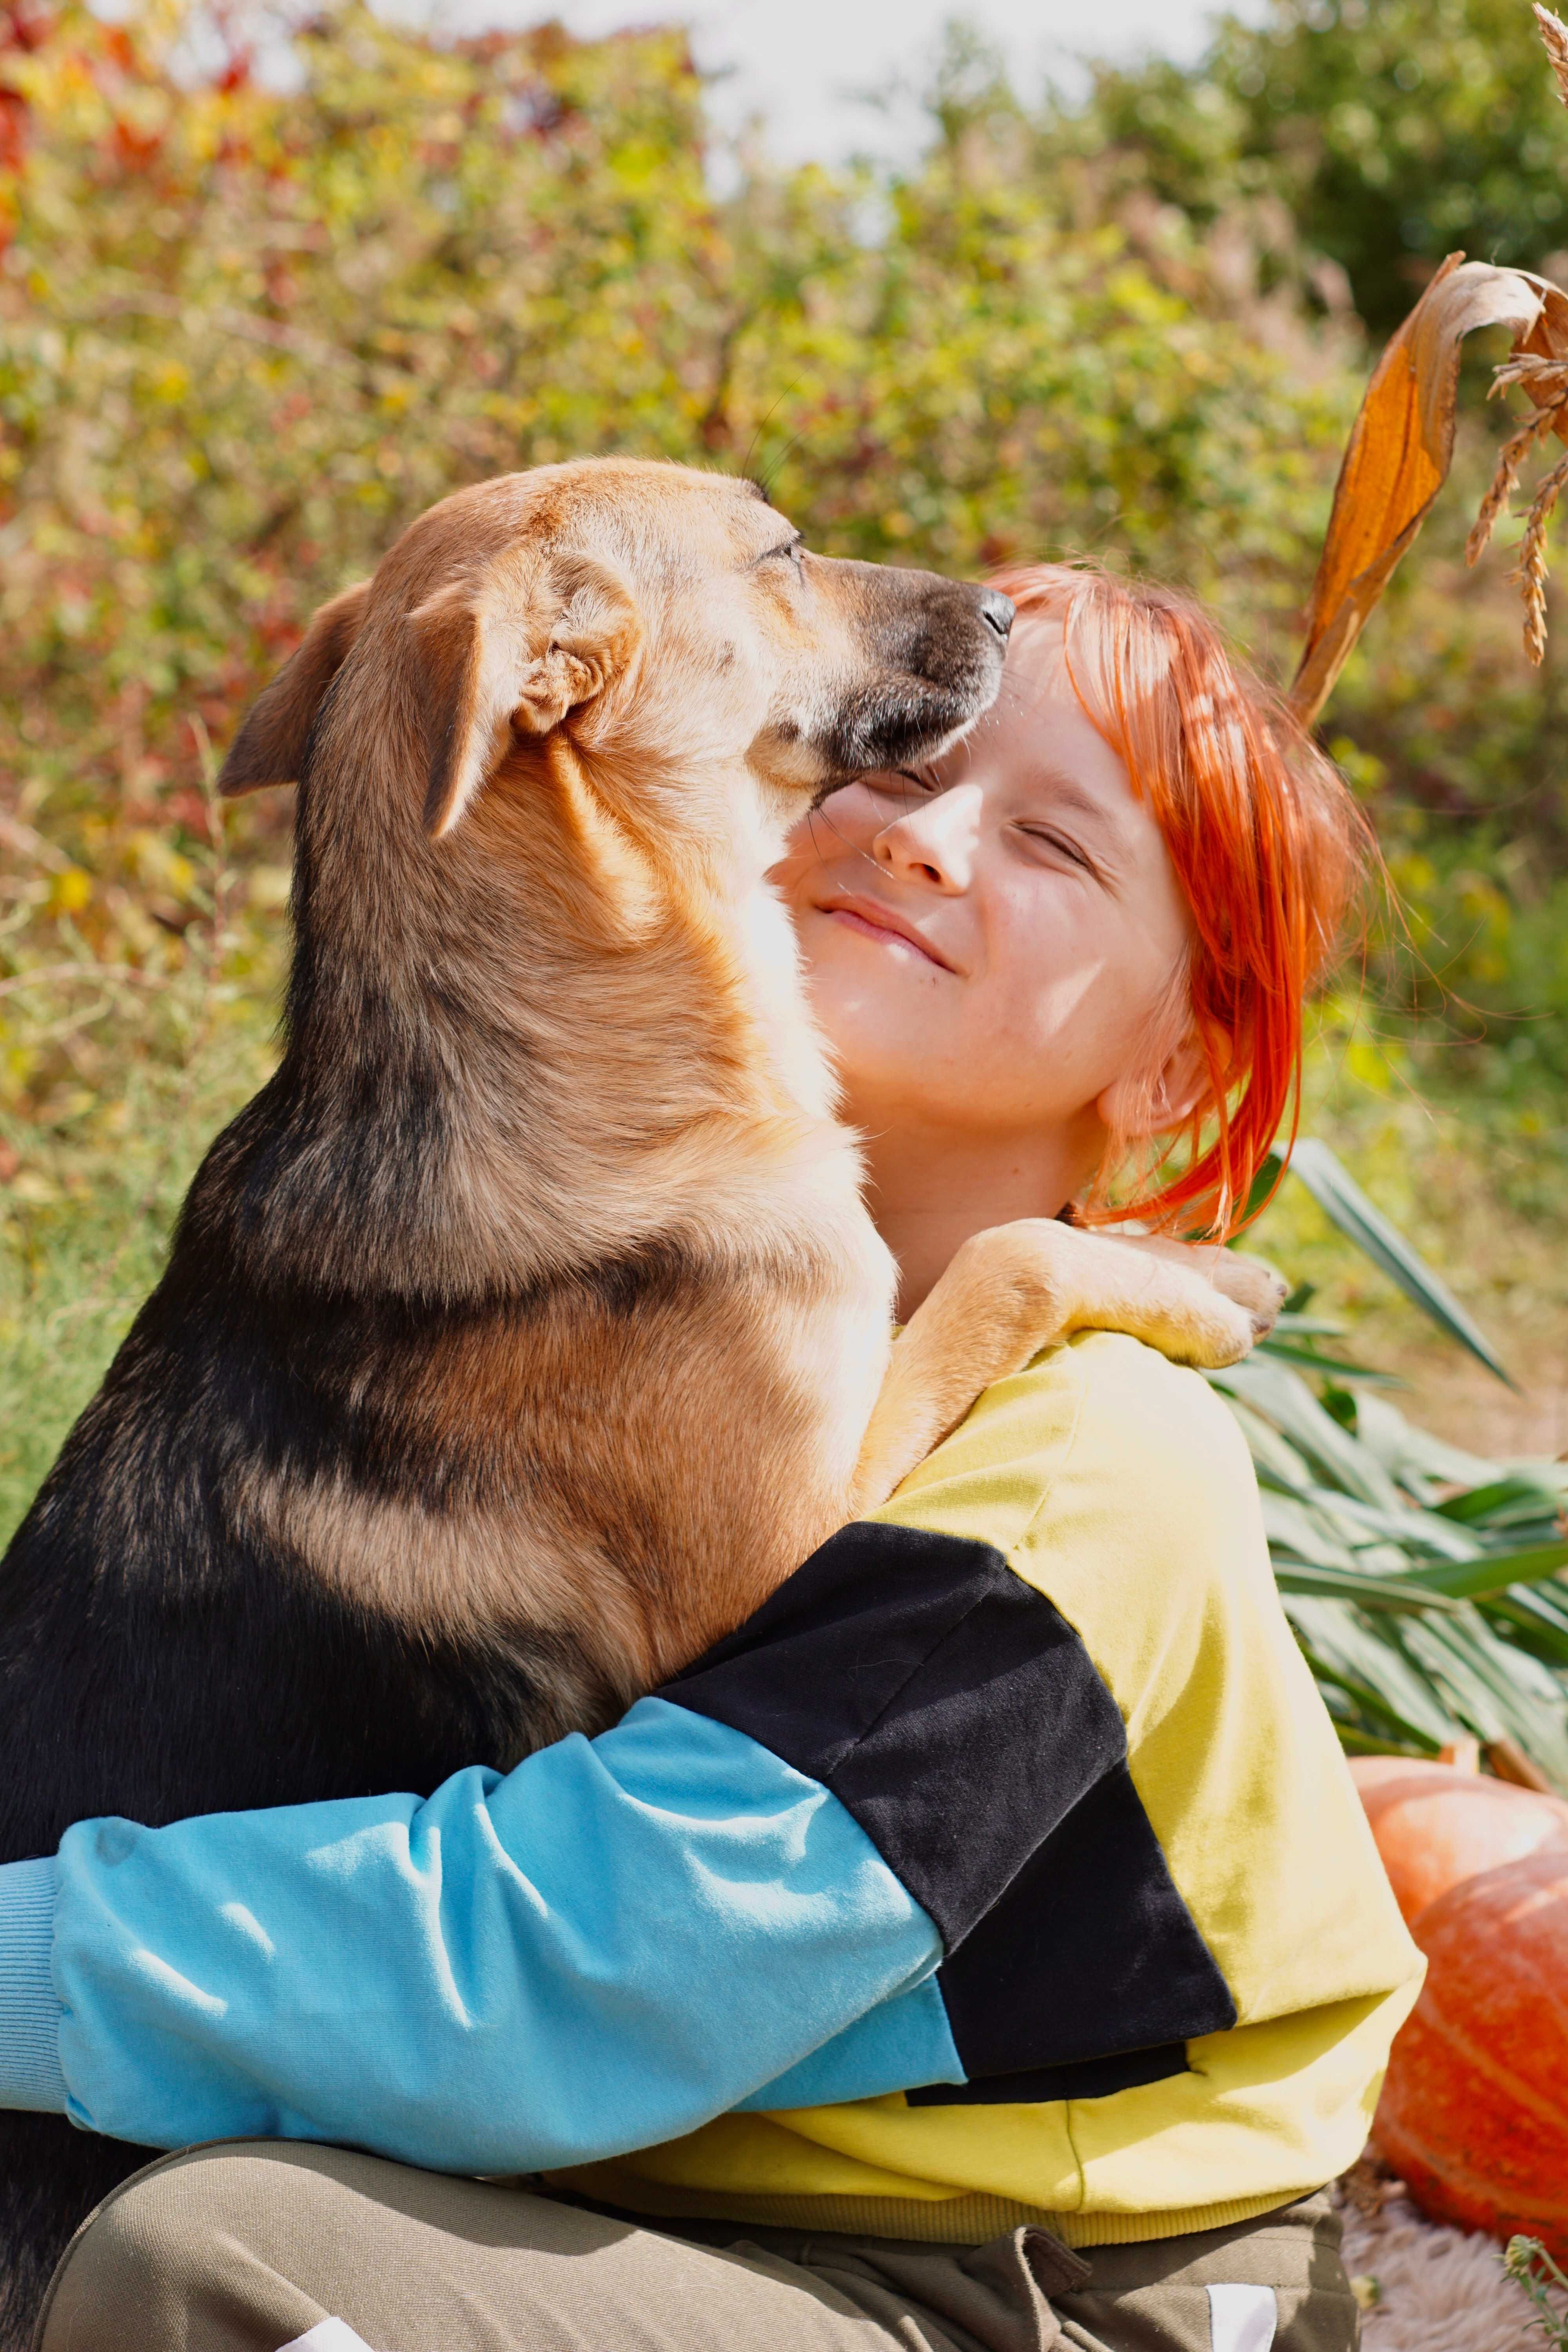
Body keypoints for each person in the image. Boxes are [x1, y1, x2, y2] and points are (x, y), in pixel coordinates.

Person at [0, 563, 1421, 2352]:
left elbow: (597, 1961)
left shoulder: (1085, 1457)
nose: (921, 841)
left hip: (1034, 2292)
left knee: (204, 2264)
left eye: (1054, 849)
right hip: (685, 2216)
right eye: (903, 772)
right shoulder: (595, 1337)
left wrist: (26, 1969)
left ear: (1173, 1071)